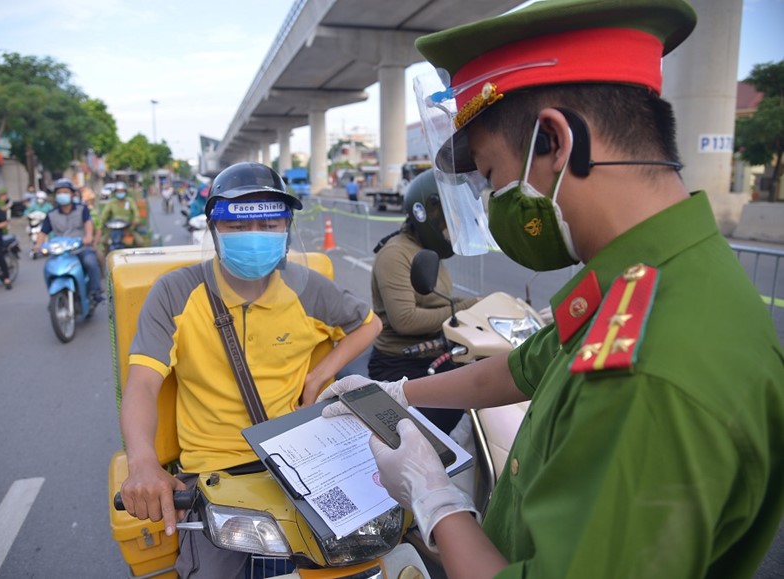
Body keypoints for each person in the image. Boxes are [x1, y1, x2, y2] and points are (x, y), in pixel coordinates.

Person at [318, 1, 784, 577]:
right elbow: (520, 369)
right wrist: (402, 396)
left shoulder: (652, 372)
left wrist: (433, 497)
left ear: (555, 142)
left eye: (490, 176)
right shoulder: (648, 277)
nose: (492, 205)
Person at [118, 162, 382, 578]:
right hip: (213, 474)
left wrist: (320, 374)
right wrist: (143, 462)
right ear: (214, 231)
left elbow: (369, 324)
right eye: (239, 226)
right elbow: (143, 385)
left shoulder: (306, 287)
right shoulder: (175, 293)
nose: (254, 235)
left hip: (302, 463)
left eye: (269, 223)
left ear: (287, 226)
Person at [369, 169, 479, 433]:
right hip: (400, 363)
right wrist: (465, 306)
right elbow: (405, 320)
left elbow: (436, 301)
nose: (456, 222)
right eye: (451, 214)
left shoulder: (428, 251)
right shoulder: (396, 254)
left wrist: (483, 303)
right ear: (427, 213)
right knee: (438, 435)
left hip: (438, 352)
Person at [33, 178, 105, 303]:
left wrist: (88, 237)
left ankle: (95, 291)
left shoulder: (82, 209)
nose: (62, 195)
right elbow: (43, 232)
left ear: (72, 194)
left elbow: (88, 224)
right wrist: (38, 245)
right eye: (59, 193)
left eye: (65, 192)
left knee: (90, 262)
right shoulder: (51, 214)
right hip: (60, 251)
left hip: (80, 248)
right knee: (49, 267)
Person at [99, 181, 143, 251]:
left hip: (128, 228)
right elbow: (104, 214)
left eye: (122, 191)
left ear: (125, 192)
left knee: (139, 242)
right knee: (103, 242)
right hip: (113, 228)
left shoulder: (129, 201)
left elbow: (136, 212)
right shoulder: (111, 202)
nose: (120, 193)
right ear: (115, 193)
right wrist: (100, 226)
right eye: (118, 191)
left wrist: (136, 221)